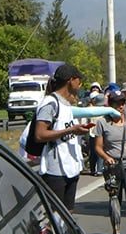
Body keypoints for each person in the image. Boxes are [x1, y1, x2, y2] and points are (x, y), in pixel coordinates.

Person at [32, 64, 94, 211]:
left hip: (70, 167)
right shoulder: (50, 103)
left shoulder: (66, 104)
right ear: (70, 80)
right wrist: (71, 130)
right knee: (54, 215)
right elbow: (40, 135)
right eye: (79, 80)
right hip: (55, 171)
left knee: (67, 215)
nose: (80, 85)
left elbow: (66, 130)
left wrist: (77, 131)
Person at [94, 91, 126, 234]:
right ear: (111, 105)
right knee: (115, 199)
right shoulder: (102, 122)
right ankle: (116, 230)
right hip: (112, 166)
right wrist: (106, 157)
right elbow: (97, 146)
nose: (120, 106)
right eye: (117, 103)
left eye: (123, 103)